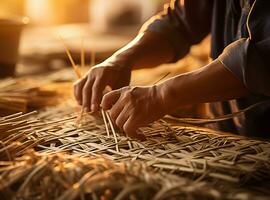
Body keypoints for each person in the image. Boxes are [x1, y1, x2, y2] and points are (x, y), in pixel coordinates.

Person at [74, 0, 270, 139]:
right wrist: (119, 60)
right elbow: (180, 23)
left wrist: (161, 95)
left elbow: (262, 59)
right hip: (227, 136)